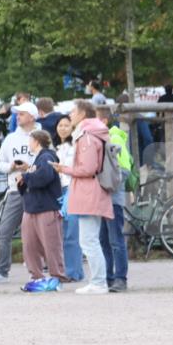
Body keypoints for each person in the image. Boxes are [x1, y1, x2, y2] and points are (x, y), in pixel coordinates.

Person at [49, 100, 113, 295]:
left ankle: (98, 282)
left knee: (88, 241)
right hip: (92, 191)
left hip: (88, 192)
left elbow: (88, 168)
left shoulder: (86, 137)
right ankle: (98, 281)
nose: (70, 114)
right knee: (90, 240)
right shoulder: (94, 133)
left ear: (83, 114)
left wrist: (64, 169)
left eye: (73, 111)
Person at [0, 101, 40, 285]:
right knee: (4, 230)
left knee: (36, 233)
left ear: (32, 116)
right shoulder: (10, 139)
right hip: (15, 190)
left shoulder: (42, 136)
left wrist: (29, 168)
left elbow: (49, 161)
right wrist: (11, 167)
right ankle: (2, 271)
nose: (18, 116)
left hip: (37, 189)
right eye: (17, 113)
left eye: (22, 114)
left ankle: (38, 269)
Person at [16, 130, 65, 292]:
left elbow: (44, 176)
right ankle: (36, 276)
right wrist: (25, 176)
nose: (29, 143)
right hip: (31, 207)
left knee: (51, 244)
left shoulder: (47, 156)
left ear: (36, 141)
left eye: (30, 140)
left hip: (46, 207)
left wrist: (25, 177)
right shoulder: (37, 159)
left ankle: (57, 277)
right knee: (30, 245)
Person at [96, 105, 131, 292]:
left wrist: (104, 183)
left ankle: (120, 278)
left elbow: (124, 170)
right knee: (104, 240)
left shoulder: (114, 138)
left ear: (103, 121)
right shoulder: (103, 139)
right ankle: (108, 277)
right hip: (103, 200)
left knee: (116, 240)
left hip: (112, 199)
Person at [54, 115, 84, 282]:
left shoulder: (76, 146)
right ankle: (70, 270)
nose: (63, 128)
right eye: (60, 125)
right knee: (60, 234)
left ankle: (73, 272)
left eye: (66, 125)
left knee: (71, 233)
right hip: (56, 191)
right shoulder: (54, 147)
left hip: (72, 189)